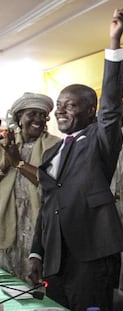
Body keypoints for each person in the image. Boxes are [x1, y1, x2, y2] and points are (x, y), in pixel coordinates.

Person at [28, 9, 123, 311]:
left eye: (70, 106)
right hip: (57, 258)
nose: (60, 111)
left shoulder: (101, 138)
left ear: (90, 111)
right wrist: (36, 253)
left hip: (92, 255)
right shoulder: (52, 153)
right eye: (59, 105)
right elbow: (48, 207)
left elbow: (112, 103)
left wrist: (114, 43)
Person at [0, 93, 60, 282]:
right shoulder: (4, 144)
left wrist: (18, 162)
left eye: (43, 115)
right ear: (19, 117)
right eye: (32, 114)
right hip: (9, 218)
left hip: (36, 221)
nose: (38, 120)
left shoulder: (54, 146)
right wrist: (7, 162)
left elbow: (51, 184)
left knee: (33, 279)